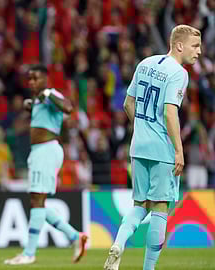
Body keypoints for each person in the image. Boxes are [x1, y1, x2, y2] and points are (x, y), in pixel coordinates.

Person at [104, 24, 202, 270]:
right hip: (162, 150)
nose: (199, 52)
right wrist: (179, 150)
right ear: (179, 45)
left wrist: (142, 130)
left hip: (138, 146)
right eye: (195, 46)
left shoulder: (145, 63)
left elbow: (128, 104)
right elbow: (171, 113)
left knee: (139, 206)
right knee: (160, 208)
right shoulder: (179, 73)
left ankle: (118, 243)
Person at [4, 65, 88, 265]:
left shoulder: (51, 95)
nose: (32, 82)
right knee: (37, 202)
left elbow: (68, 108)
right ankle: (75, 237)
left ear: (45, 79)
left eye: (36, 78)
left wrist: (48, 93)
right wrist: (32, 105)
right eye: (30, 79)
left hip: (47, 151)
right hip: (39, 152)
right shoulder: (39, 100)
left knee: (37, 200)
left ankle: (29, 253)